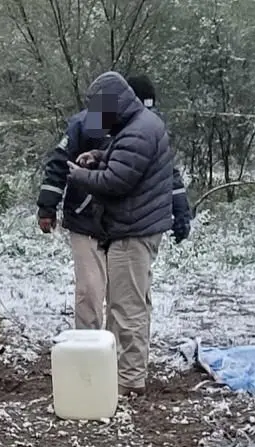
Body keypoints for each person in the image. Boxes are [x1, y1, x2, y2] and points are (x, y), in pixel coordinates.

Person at [65, 71, 175, 395]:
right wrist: (100, 156)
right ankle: (121, 373)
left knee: (127, 309)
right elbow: (123, 163)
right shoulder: (137, 126)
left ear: (112, 104)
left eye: (100, 111)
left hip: (132, 231)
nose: (97, 120)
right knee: (128, 304)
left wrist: (81, 175)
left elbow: (117, 182)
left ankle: (128, 381)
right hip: (134, 228)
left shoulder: (138, 131)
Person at [36, 110, 109, 329]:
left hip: (126, 224)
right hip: (85, 220)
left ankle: (118, 353)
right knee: (89, 291)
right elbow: (60, 163)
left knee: (124, 298)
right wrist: (47, 206)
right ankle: (87, 348)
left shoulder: (140, 124)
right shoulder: (87, 122)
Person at [125, 75, 191, 244]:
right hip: (144, 225)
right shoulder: (157, 127)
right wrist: (181, 212)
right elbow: (170, 172)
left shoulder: (127, 129)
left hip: (130, 226)